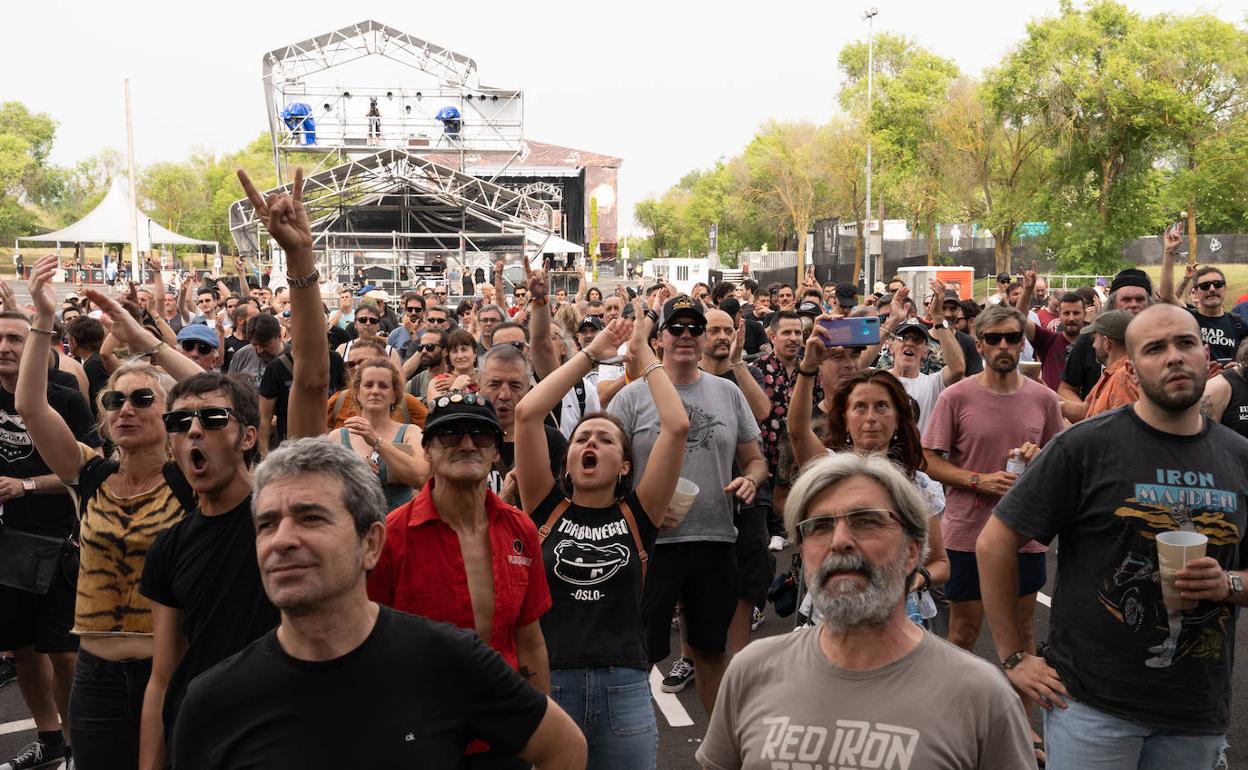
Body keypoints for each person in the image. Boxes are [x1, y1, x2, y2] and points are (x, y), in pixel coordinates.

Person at [173, 439, 587, 769]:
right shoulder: (213, 702)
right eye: (267, 524)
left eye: (311, 518)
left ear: (371, 543)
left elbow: (562, 747)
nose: (282, 539)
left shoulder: (447, 660)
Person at [977, 304, 1248, 770]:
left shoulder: (1239, 456)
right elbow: (995, 542)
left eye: (1185, 344)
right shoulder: (1084, 446)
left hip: (1196, 708)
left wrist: (1229, 584)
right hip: (1091, 706)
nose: (1174, 358)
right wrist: (1014, 657)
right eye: (1155, 349)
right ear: (1132, 368)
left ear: (1207, 356)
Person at [696, 453, 1034, 770]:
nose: (839, 540)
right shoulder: (751, 671)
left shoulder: (981, 695)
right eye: (820, 526)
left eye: (866, 522)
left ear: (912, 551)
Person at [15, 255, 203, 769]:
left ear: (169, 414)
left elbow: (223, 402)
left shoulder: (191, 477)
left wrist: (151, 348)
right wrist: (42, 320)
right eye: (114, 400)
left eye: (143, 398)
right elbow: (31, 405)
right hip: (94, 679)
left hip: (173, 669)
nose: (125, 408)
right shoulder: (90, 473)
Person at [514, 311, 687, 769]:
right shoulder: (544, 507)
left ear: (625, 465)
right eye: (581, 438)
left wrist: (644, 352)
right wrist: (592, 354)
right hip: (552, 684)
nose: (591, 443)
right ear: (568, 460)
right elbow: (528, 413)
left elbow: (677, 426)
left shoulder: (639, 513)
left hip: (625, 685)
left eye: (606, 440)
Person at [367, 395, 554, 768]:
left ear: (496, 453)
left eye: (481, 435)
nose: (467, 444)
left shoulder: (521, 530)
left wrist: (540, 731)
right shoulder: (392, 536)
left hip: (503, 734)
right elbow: (369, 645)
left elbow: (529, 641)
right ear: (429, 452)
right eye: (450, 435)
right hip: (420, 735)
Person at [608, 294, 767, 715]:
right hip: (648, 545)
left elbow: (755, 458)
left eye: (695, 328)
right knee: (637, 657)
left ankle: (718, 753)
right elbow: (612, 468)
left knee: (711, 653)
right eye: (676, 328)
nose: (686, 336)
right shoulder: (631, 398)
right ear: (659, 339)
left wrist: (750, 479)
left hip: (714, 539)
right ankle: (629, 746)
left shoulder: (728, 394)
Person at [136, 373, 274, 770]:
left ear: (247, 437)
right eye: (179, 423)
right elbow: (163, 677)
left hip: (279, 735)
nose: (194, 430)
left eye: (213, 419)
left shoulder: (283, 521)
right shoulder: (169, 548)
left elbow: (312, 383)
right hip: (201, 741)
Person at [921, 304, 1063, 657]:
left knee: (1023, 635)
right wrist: (977, 480)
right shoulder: (955, 396)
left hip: (1023, 535)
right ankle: (957, 713)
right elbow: (928, 461)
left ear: (1021, 344)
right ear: (979, 345)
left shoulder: (1044, 399)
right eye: (993, 338)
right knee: (963, 634)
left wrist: (1039, 458)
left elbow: (1059, 462)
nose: (1003, 345)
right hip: (967, 533)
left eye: (1012, 337)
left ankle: (1018, 712)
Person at [0, 301, 100, 770]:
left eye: (15, 339)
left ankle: (79, 747)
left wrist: (25, 485)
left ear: (37, 346)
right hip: (8, 546)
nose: (4, 347)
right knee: (22, 650)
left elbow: (89, 471)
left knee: (64, 654)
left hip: (61, 541)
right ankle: (49, 741)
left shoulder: (64, 397)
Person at [789, 338, 950, 625]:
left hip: (901, 619)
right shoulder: (829, 472)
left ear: (899, 418)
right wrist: (807, 368)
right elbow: (798, 432)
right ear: (845, 418)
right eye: (860, 407)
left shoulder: (921, 487)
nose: (871, 418)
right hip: (833, 616)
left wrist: (918, 578)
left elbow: (940, 564)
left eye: (882, 407)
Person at [324, 357, 428, 509]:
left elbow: (421, 476)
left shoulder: (411, 433)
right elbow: (323, 487)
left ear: (394, 396)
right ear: (358, 393)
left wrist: (377, 442)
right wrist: (352, 471)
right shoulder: (337, 437)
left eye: (383, 386)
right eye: (368, 385)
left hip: (396, 528)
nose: (375, 391)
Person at [477, 343, 568, 501]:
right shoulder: (462, 439)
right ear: (479, 385)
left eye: (515, 386)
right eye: (494, 384)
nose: (504, 395)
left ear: (528, 388)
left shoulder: (550, 441)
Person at [1058, 268, 1152, 417]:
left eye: (1140, 299)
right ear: (1112, 305)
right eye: (1126, 300)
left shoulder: (1161, 344)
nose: (1134, 305)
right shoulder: (1091, 338)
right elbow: (1069, 391)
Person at [886, 280, 965, 435]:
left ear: (925, 351)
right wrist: (892, 321)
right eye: (903, 338)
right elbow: (859, 366)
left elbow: (958, 369)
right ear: (891, 346)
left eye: (917, 340)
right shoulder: (878, 379)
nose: (909, 343)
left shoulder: (932, 384)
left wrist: (937, 318)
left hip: (921, 458)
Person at [1161, 225, 1245, 363]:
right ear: (1196, 291)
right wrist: (1169, 251)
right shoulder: (1188, 318)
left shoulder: (1239, 324)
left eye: (1217, 284)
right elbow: (1166, 296)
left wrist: (1238, 368)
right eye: (1205, 286)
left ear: (1225, 288)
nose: (1212, 289)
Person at [1015, 263, 1086, 391]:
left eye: (1076, 313)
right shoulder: (1048, 340)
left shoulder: (1093, 344)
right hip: (1052, 408)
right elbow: (1020, 318)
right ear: (1059, 315)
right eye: (1066, 313)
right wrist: (1028, 290)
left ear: (1085, 314)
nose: (1071, 318)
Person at [1080, 310, 1137, 419]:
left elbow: (1124, 428)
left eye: (1094, 338)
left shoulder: (1124, 377)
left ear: (1106, 342)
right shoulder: (1112, 374)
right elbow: (1085, 411)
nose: (1093, 345)